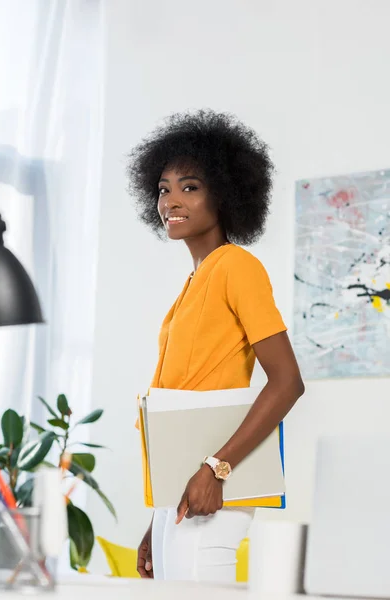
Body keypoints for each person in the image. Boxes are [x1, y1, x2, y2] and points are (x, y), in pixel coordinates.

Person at [128, 109, 304, 583]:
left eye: (190, 187)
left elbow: (287, 382)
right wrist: (158, 517)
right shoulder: (195, 280)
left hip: (215, 482)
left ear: (224, 195)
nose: (171, 200)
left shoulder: (236, 267)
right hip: (183, 485)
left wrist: (216, 469)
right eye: (164, 188)